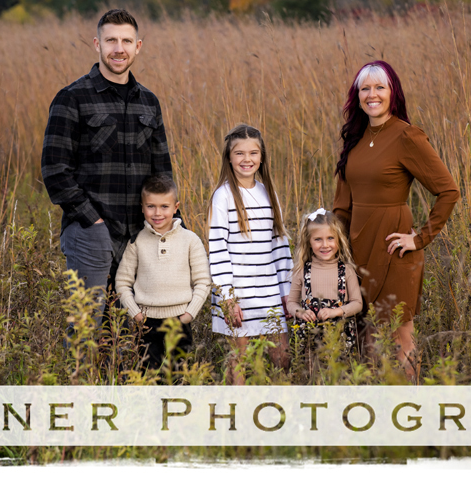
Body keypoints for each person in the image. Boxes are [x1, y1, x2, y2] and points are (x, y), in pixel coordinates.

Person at [41, 9, 176, 333]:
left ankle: (123, 385)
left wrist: (167, 224)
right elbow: (54, 169)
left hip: (139, 235)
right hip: (91, 231)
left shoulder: (149, 102)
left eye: (126, 41)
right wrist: (93, 221)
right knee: (87, 328)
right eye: (111, 40)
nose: (119, 48)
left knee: (133, 331)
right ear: (96, 44)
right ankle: (84, 385)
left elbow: (162, 172)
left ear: (138, 46)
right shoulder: (72, 98)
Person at [332, 60, 460, 382]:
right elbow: (342, 207)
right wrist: (335, 251)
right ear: (357, 95)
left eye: (380, 87)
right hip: (356, 251)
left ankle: (410, 412)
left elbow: (448, 191)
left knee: (401, 335)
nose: (371, 95)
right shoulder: (355, 139)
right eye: (365, 88)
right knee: (364, 337)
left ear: (393, 93)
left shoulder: (407, 136)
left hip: (395, 250)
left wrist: (418, 239)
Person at [208, 124, 292, 385]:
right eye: (239, 153)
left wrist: (287, 290)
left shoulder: (269, 193)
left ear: (262, 157)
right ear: (229, 157)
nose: (247, 159)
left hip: (268, 291)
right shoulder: (222, 196)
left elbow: (279, 244)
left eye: (253, 153)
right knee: (239, 362)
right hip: (238, 295)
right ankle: (240, 416)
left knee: (282, 357)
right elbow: (217, 249)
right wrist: (228, 298)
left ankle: (281, 412)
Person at [114, 175, 210, 369]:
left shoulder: (190, 240)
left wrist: (189, 315)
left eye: (164, 207)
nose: (157, 213)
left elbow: (203, 281)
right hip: (147, 323)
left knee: (178, 375)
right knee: (148, 376)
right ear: (142, 207)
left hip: (180, 320)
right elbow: (122, 282)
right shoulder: (137, 241)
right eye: (151, 206)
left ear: (176, 207)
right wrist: (136, 315)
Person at [287, 207, 363, 381]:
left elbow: (358, 303)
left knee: (338, 377)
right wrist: (300, 312)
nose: (325, 245)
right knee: (310, 376)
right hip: (309, 338)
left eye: (330, 238)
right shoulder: (302, 270)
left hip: (339, 337)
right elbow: (291, 302)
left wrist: (336, 311)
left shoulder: (346, 271)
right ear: (309, 241)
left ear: (339, 240)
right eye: (318, 239)